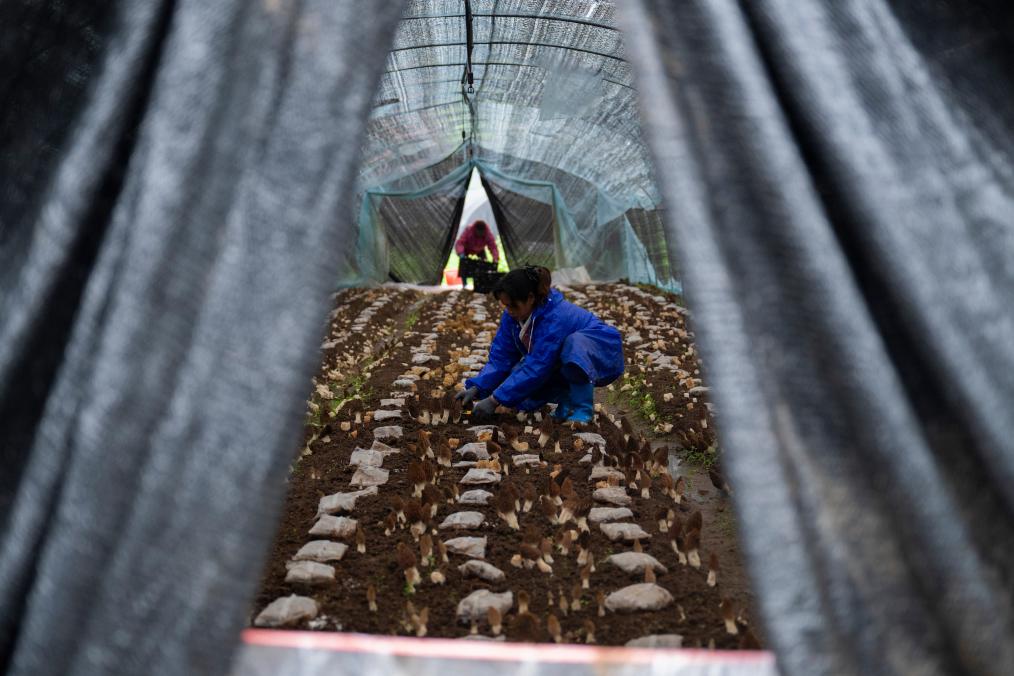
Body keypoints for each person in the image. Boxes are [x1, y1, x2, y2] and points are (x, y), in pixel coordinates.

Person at [455, 266, 624, 423]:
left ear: (530, 298)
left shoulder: (555, 317)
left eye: (513, 305)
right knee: (520, 383)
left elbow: (538, 366)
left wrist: (494, 400)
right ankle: (567, 400)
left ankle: (581, 408)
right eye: (506, 306)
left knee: (573, 347)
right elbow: (501, 357)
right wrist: (477, 388)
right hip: (563, 356)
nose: (509, 310)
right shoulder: (512, 318)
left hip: (600, 348)